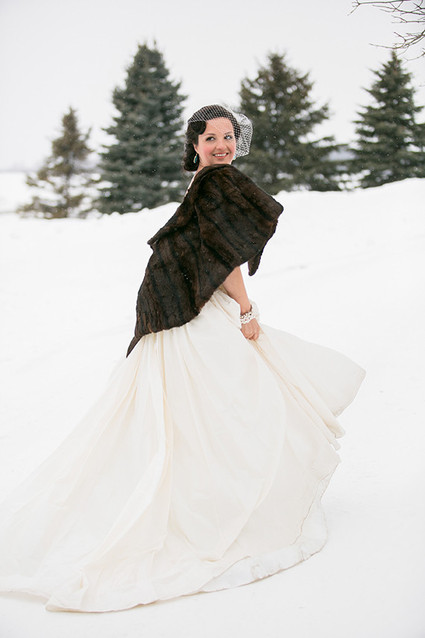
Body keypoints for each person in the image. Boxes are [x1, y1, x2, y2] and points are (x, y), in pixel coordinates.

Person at [0, 105, 365, 613]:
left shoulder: (208, 180)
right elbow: (225, 254)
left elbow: (208, 247)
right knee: (239, 397)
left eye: (228, 136)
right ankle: (227, 503)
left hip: (173, 302)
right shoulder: (216, 182)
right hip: (189, 304)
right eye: (209, 137)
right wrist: (246, 308)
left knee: (202, 403)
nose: (221, 145)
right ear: (194, 144)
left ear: (238, 140)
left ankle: (199, 495)